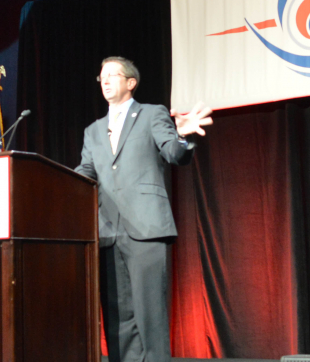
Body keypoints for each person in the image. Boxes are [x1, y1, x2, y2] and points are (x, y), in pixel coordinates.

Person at [74, 56, 212, 362]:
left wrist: (184, 134)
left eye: (112, 75)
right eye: (102, 76)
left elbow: (174, 153)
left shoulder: (151, 114)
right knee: (117, 319)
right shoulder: (93, 131)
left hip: (146, 227)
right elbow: (85, 172)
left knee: (150, 315)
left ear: (130, 83)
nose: (105, 80)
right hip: (107, 231)